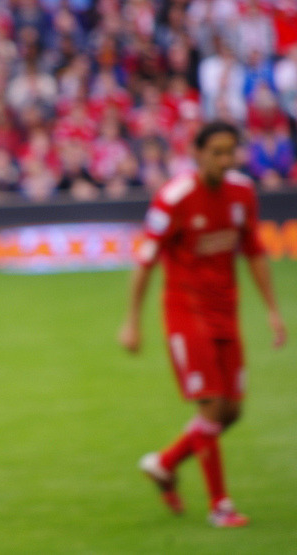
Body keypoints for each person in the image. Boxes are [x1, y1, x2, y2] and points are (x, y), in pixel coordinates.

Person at [118, 120, 287, 527]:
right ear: (196, 153)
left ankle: (164, 464)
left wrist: (272, 309)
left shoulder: (242, 193)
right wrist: (132, 321)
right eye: (217, 152)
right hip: (186, 314)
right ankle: (220, 506)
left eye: (231, 152)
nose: (225, 160)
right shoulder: (173, 198)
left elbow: (254, 251)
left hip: (226, 313)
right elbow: (145, 260)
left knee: (232, 411)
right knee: (212, 406)